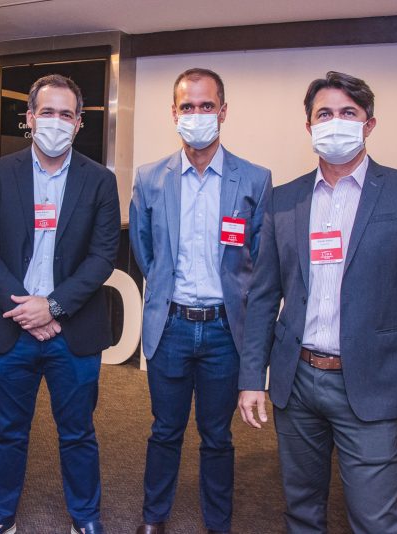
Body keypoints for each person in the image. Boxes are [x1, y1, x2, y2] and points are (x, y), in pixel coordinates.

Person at [238, 71, 397, 533]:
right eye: (324, 114)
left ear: (368, 124)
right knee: (301, 511)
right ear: (309, 126)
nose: (335, 122)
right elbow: (263, 297)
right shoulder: (284, 200)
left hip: (373, 386)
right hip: (296, 382)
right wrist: (252, 376)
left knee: (374, 520)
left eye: (347, 113)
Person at [0, 74, 120, 534]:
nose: (56, 121)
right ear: (30, 118)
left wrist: (51, 307)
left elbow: (102, 257)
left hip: (72, 333)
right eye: (47, 112)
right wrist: (27, 310)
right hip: (9, 328)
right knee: (7, 432)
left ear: (79, 122)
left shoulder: (100, 181)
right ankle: (1, 516)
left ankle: (85, 517)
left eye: (66, 114)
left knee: (78, 433)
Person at [129, 68, 272, 534]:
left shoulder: (254, 180)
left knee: (217, 436)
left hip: (224, 331)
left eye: (206, 105)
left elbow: (260, 257)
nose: (197, 114)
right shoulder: (150, 178)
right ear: (174, 114)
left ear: (223, 112)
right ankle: (154, 517)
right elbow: (145, 252)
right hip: (170, 325)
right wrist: (166, 288)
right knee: (164, 430)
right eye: (187, 106)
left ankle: (218, 523)